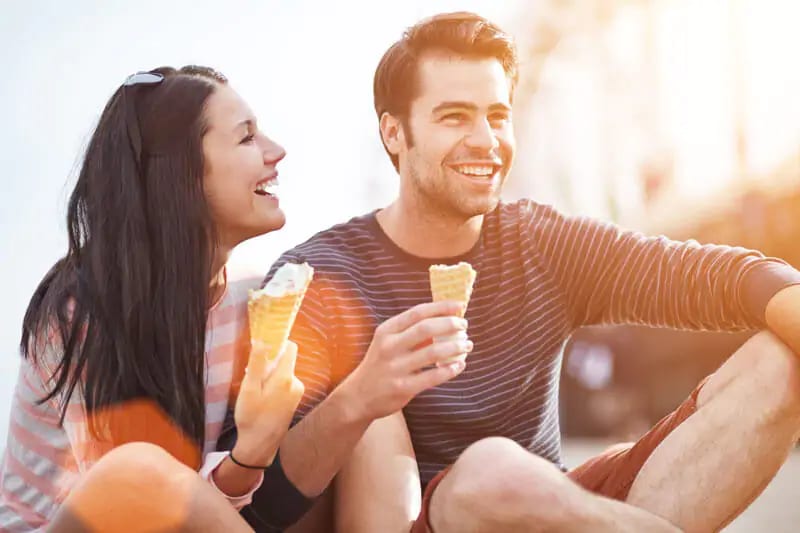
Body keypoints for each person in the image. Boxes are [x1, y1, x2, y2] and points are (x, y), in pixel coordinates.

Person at [241, 12, 800, 533]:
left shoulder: (541, 242)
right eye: (454, 116)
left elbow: (719, 278)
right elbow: (267, 500)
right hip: (441, 516)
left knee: (778, 362)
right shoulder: (318, 274)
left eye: (497, 115)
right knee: (490, 468)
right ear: (394, 133)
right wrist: (360, 396)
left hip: (563, 511)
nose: (485, 140)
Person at [0, 66, 305, 532]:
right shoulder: (81, 311)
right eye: (246, 139)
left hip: (195, 513)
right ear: (181, 174)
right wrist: (248, 458)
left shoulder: (254, 297)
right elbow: (138, 503)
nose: (276, 152)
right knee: (137, 467)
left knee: (356, 403)